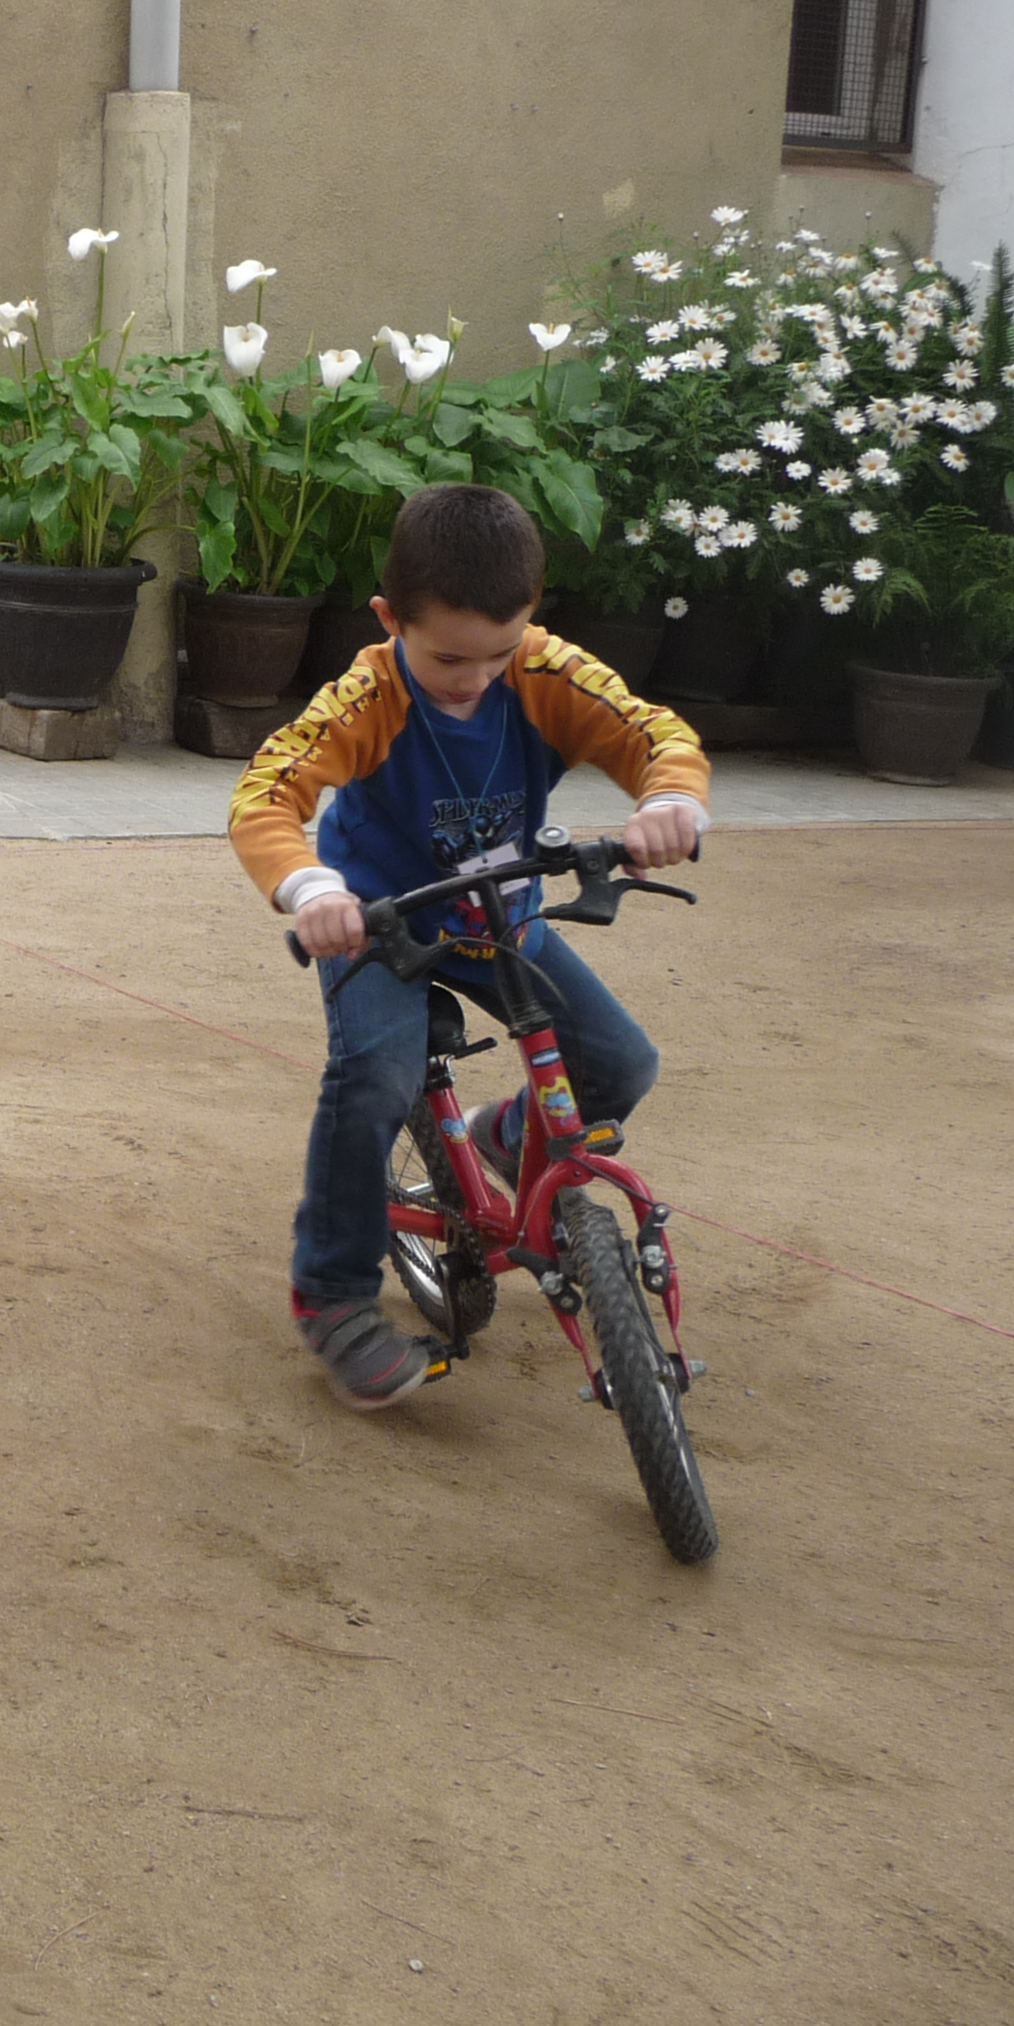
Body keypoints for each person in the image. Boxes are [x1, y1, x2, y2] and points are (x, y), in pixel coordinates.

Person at [229, 484, 711, 1410]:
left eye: (500, 652)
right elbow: (269, 792)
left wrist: (669, 798)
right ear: (390, 620)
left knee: (620, 1065)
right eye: (449, 656)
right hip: (380, 924)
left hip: (501, 918)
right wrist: (313, 889)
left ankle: (505, 1137)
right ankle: (333, 1295)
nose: (476, 678)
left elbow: (654, 734)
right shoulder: (368, 695)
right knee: (375, 1080)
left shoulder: (545, 671)